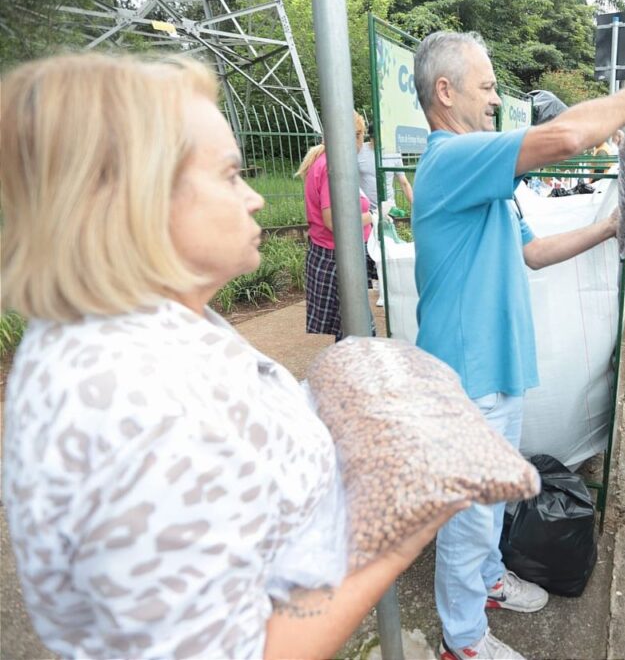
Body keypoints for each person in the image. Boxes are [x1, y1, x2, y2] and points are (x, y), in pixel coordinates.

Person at [0, 52, 461, 658]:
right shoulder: (131, 406)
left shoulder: (144, 320)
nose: (257, 200)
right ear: (133, 195)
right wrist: (406, 531)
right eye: (228, 175)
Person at [411, 30, 625, 660]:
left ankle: (483, 583)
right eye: (486, 87)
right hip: (465, 376)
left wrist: (614, 225)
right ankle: (464, 640)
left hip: (495, 368)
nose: (495, 99)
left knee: (490, 497)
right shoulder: (452, 157)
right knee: (471, 511)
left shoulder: (481, 178)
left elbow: (533, 253)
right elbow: (563, 137)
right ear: (445, 92)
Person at [296, 111, 376, 339]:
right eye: (360, 136)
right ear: (356, 136)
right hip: (338, 256)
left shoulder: (327, 162)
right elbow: (335, 222)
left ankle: (350, 372)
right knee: (359, 330)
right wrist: (373, 216)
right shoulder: (333, 168)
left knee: (350, 329)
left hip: (333, 253)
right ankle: (354, 373)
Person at [357, 125, 414, 212]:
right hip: (366, 210)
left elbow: (404, 183)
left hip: (388, 209)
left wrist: (415, 206)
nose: (379, 141)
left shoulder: (393, 152)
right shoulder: (359, 151)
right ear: (370, 137)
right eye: (375, 137)